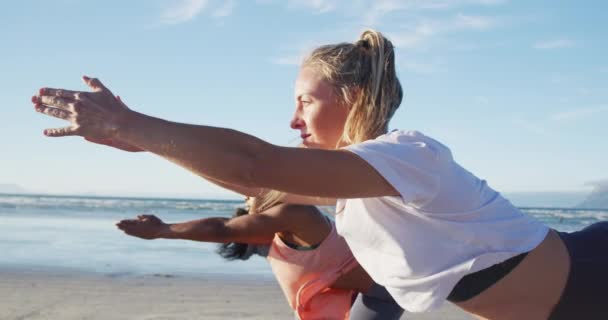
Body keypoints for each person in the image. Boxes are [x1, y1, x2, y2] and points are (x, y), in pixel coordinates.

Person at [32, 29, 607, 319]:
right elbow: (258, 185)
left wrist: (133, 124)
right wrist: (143, 143)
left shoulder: (409, 155)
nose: (293, 118)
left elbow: (257, 163)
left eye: (305, 101)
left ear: (352, 96)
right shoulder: (353, 189)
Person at [116, 199, 404, 320]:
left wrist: (163, 230)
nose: (246, 199)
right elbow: (225, 229)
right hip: (361, 298)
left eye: (250, 196)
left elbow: (221, 228)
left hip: (380, 292)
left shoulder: (298, 216)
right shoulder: (273, 241)